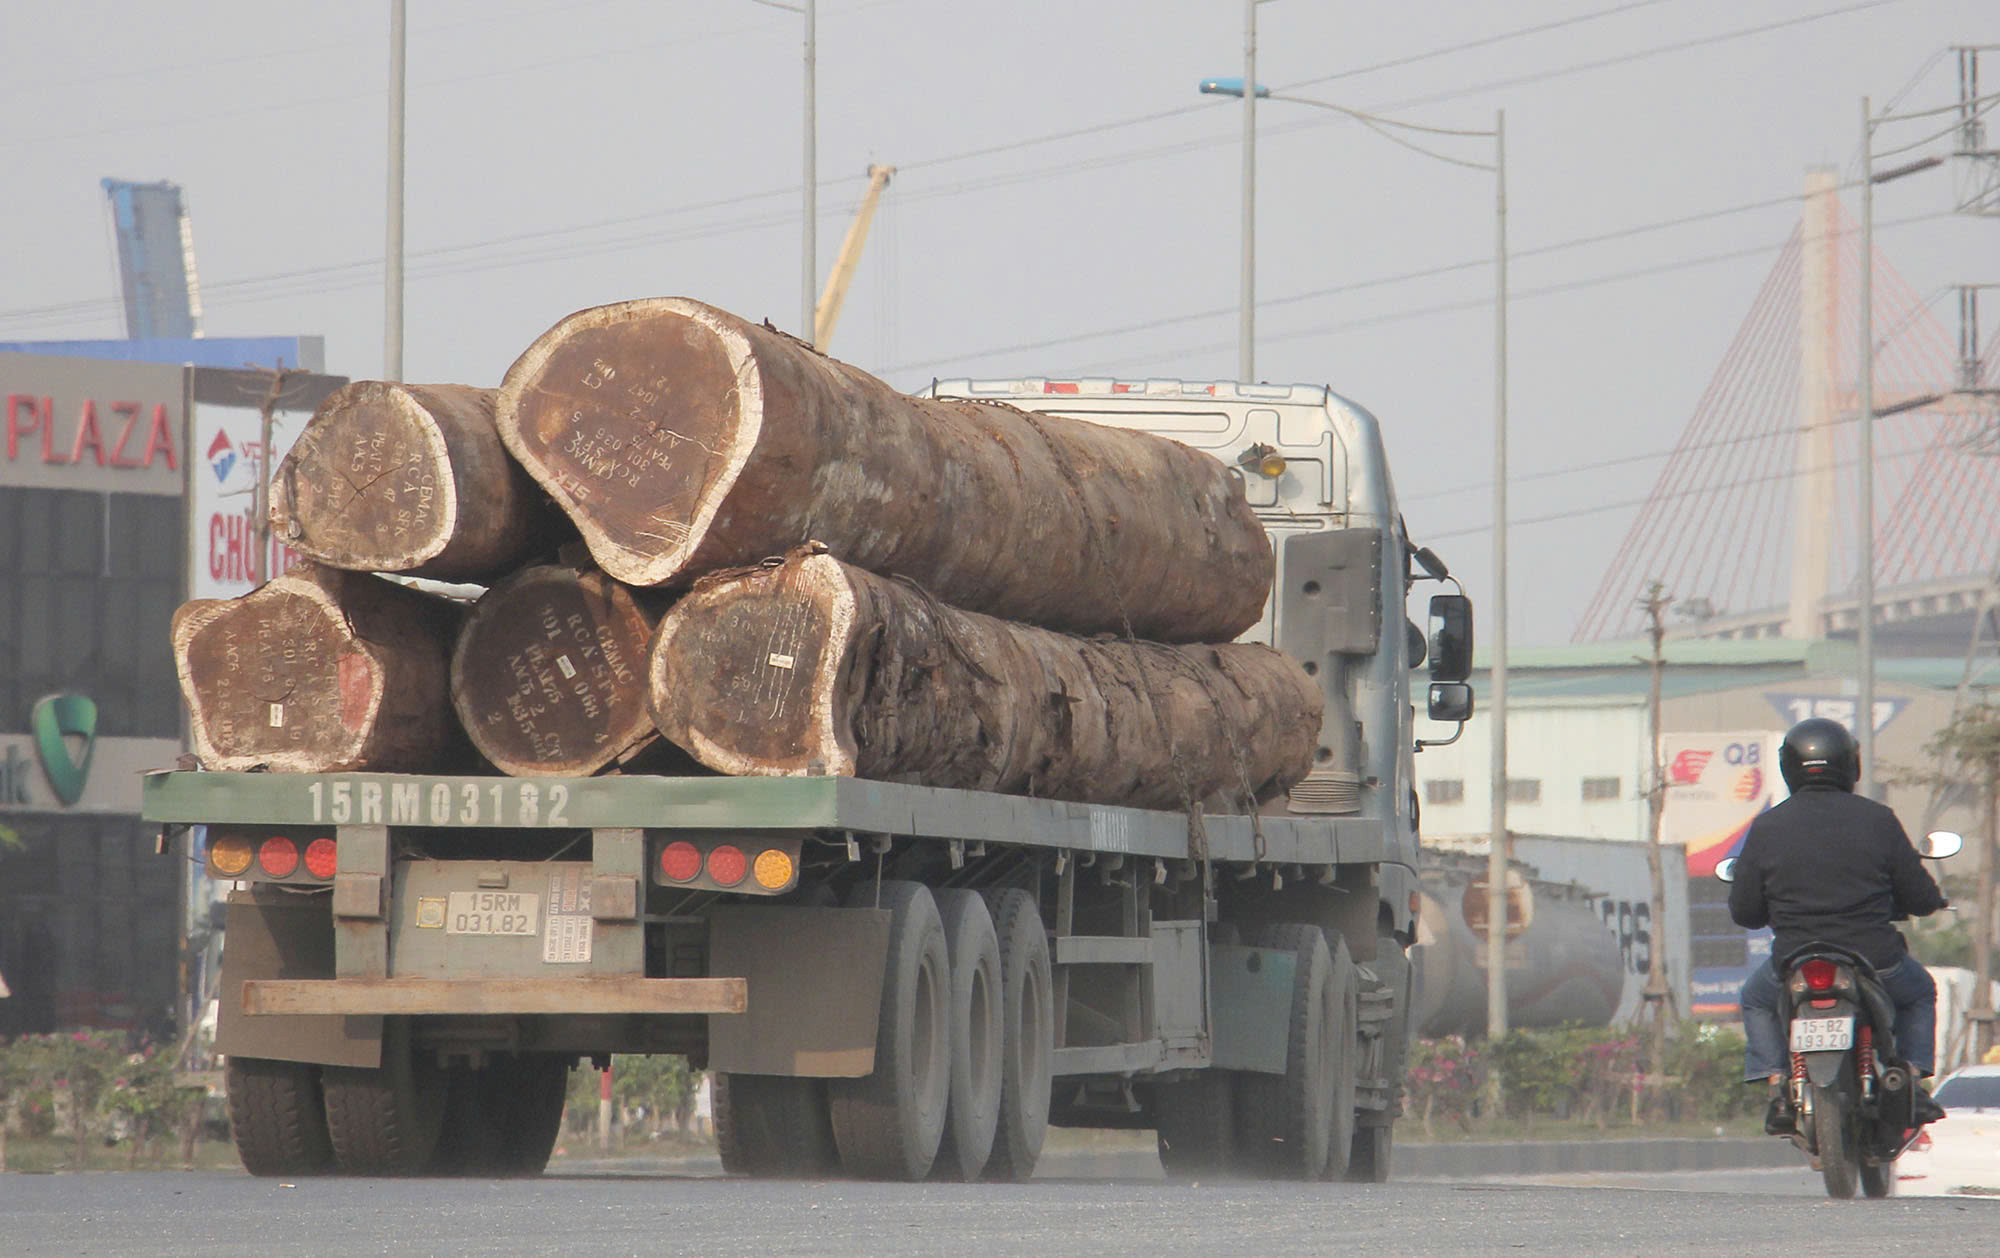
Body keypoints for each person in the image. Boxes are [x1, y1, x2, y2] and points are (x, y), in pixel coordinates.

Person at [1728, 717, 1949, 1135]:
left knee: (1756, 1000)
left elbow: (1745, 911)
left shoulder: (1768, 826)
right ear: (1851, 765)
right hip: (1875, 958)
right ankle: (1916, 1084)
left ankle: (1778, 1085)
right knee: (1920, 992)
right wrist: (1932, 901)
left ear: (1788, 767)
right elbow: (1919, 897)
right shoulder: (1878, 819)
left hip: (1792, 961)